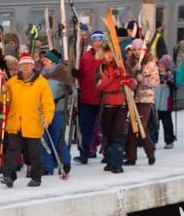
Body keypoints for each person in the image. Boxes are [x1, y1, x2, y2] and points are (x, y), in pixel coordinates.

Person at [0, 52, 54, 187]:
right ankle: (8, 175)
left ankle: (36, 177)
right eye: (23, 65)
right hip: (15, 122)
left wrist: (47, 119)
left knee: (34, 153)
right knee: (12, 151)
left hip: (33, 122)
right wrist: (4, 92)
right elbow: (5, 101)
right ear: (20, 67)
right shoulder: (12, 82)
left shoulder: (42, 83)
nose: (26, 67)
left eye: (28, 64)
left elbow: (48, 103)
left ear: (33, 66)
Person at [96, 43, 135, 173]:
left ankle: (117, 163)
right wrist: (114, 75)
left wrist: (127, 81)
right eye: (106, 52)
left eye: (111, 52)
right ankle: (110, 160)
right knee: (108, 133)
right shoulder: (100, 67)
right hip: (106, 104)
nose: (108, 55)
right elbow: (99, 85)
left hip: (121, 103)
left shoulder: (123, 65)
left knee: (118, 133)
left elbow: (133, 82)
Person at [124, 40, 158, 167]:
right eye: (135, 49)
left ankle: (150, 151)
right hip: (132, 98)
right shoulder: (130, 62)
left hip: (145, 98)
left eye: (139, 49)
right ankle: (131, 156)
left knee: (140, 124)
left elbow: (155, 82)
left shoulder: (150, 63)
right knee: (132, 127)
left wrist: (141, 79)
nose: (137, 52)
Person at [39, 49, 72, 175]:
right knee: (44, 139)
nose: (43, 61)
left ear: (53, 62)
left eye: (46, 60)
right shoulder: (40, 74)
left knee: (57, 137)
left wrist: (68, 91)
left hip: (58, 110)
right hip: (43, 111)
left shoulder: (62, 75)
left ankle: (65, 161)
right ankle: (47, 166)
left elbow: (73, 93)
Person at [75, 32, 105, 163]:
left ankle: (108, 153)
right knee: (85, 127)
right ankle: (84, 153)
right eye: (95, 40)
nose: (98, 43)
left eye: (100, 40)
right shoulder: (85, 57)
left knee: (106, 127)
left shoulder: (108, 56)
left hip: (104, 97)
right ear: (92, 42)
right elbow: (80, 75)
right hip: (87, 98)